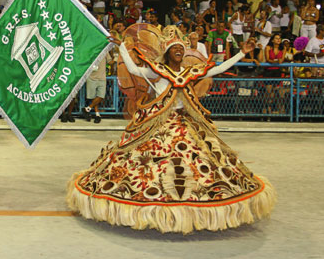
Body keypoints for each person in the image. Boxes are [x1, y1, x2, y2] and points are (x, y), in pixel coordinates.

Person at [67, 25, 276, 234]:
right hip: (157, 125)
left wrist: (241, 53)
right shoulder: (156, 71)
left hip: (186, 124)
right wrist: (122, 48)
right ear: (167, 53)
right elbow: (132, 70)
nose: (179, 51)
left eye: (181, 49)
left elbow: (218, 69)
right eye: (175, 48)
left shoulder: (189, 72)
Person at [82, 54, 110, 124]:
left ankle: (87, 108)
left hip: (102, 77)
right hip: (91, 77)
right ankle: (97, 115)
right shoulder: (90, 50)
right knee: (94, 97)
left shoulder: (105, 50)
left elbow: (110, 61)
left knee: (101, 96)